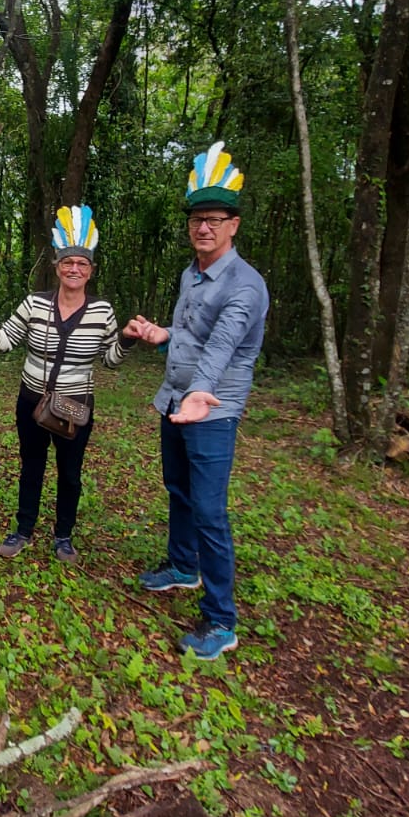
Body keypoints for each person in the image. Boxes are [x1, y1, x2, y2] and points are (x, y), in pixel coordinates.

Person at [123, 142, 268, 660]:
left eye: (214, 219)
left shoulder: (245, 286)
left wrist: (201, 394)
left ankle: (221, 619)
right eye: (196, 219)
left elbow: (223, 348)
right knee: (178, 490)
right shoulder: (192, 274)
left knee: (209, 510)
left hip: (211, 411)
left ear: (234, 225)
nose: (203, 227)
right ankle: (183, 567)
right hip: (175, 401)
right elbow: (191, 334)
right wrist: (160, 333)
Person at [0, 206, 130, 565]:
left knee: (70, 473)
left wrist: (129, 339)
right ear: (57, 266)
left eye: (82, 264)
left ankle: (63, 536)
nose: (74, 269)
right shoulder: (35, 303)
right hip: (31, 400)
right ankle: (23, 529)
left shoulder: (101, 311)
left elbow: (110, 358)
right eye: (67, 262)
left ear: (90, 270)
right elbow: (6, 339)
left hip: (75, 407)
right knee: (31, 465)